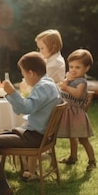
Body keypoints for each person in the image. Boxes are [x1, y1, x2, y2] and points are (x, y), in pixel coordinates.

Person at [0, 52, 61, 195]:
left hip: (34, 137)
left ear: (31, 73)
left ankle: (2, 187)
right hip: (35, 134)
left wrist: (11, 92)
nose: (23, 77)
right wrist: (12, 95)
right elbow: (23, 108)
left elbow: (26, 108)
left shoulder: (42, 87)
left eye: (23, 73)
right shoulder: (48, 84)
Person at [21, 29, 65, 180]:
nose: (39, 51)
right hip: (50, 103)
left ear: (51, 47)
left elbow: (39, 85)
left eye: (41, 48)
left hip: (46, 106)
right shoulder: (53, 60)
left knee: (25, 124)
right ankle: (32, 163)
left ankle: (27, 165)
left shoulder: (52, 64)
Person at [57, 49, 97, 172]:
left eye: (78, 67)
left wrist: (66, 87)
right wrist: (66, 82)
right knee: (71, 136)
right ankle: (72, 157)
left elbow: (78, 94)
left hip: (76, 114)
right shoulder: (70, 79)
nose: (73, 70)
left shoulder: (82, 82)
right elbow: (62, 88)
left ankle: (92, 161)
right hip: (67, 112)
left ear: (86, 68)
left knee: (83, 139)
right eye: (71, 66)